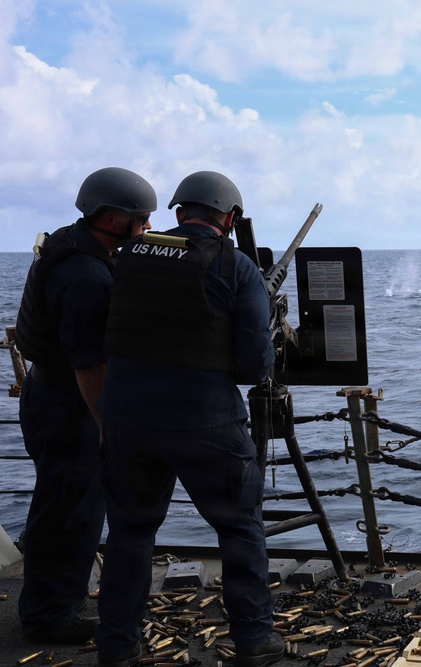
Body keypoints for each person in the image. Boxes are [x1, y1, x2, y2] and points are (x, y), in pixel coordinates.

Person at [95, 171, 282, 667]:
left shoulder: (125, 257)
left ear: (179, 212)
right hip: (205, 421)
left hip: (126, 419)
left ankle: (116, 648)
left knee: (130, 533)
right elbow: (253, 367)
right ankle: (254, 640)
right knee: (240, 529)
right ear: (230, 217)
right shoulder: (235, 265)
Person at [14, 167, 155, 644]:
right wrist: (107, 426)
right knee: (67, 514)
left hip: (49, 394)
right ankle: (50, 619)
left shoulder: (69, 244)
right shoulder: (85, 276)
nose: (148, 228)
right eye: (142, 219)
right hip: (70, 407)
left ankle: (53, 603)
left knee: (65, 507)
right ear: (114, 220)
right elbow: (88, 367)